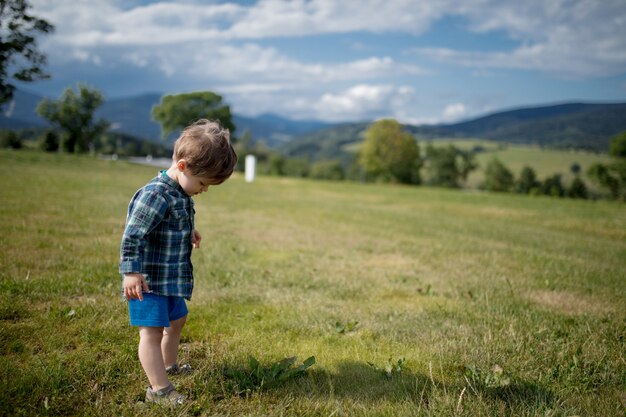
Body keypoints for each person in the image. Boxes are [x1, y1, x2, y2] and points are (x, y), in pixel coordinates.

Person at [119, 119, 237, 405]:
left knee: (178, 319)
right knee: (151, 332)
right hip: (147, 282)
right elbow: (133, 235)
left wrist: (189, 231)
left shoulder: (180, 191)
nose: (203, 190)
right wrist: (131, 272)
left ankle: (168, 365)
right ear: (182, 166)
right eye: (202, 183)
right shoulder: (155, 194)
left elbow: (176, 218)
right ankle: (159, 390)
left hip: (168, 279)